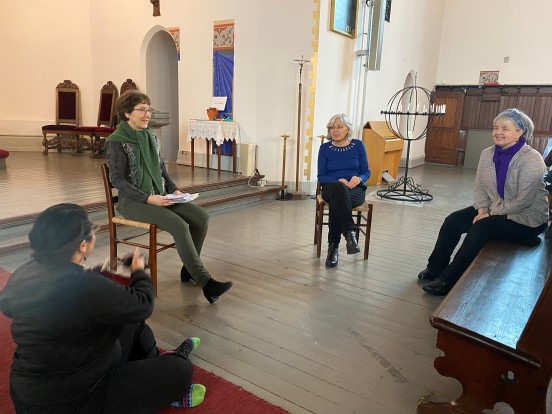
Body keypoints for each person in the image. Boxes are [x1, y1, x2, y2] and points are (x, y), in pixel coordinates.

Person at [0, 203, 206, 413]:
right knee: (180, 370)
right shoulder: (86, 286)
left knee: (132, 324)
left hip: (31, 394)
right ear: (82, 245)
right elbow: (143, 305)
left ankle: (150, 372)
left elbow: (8, 306)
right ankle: (166, 375)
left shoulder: (23, 273)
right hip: (75, 400)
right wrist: (138, 270)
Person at [106, 90, 232, 304]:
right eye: (142, 109)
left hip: (160, 195)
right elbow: (117, 179)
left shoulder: (151, 138)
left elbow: (162, 170)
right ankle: (206, 283)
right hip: (134, 202)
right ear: (127, 113)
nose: (147, 114)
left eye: (149, 109)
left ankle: (188, 271)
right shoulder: (116, 141)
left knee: (201, 217)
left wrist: (174, 191)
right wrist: (147, 198)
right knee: (179, 225)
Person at [419, 108, 549, 296]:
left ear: (519, 132)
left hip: (526, 219)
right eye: (495, 128)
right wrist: (481, 209)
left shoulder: (532, 159)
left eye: (505, 128)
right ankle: (435, 268)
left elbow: (523, 201)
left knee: (481, 228)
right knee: (453, 221)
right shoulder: (487, 154)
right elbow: (480, 185)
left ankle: (448, 280)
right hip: (494, 208)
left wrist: (488, 214)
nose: (498, 132)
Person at [317, 113, 370, 267]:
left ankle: (333, 248)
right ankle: (349, 233)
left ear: (348, 129)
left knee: (337, 203)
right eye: (332, 127)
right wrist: (337, 181)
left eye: (339, 127)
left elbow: (366, 172)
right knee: (339, 190)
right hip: (331, 187)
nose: (335, 130)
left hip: (354, 190)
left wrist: (359, 178)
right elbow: (321, 176)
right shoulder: (325, 148)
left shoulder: (358, 145)